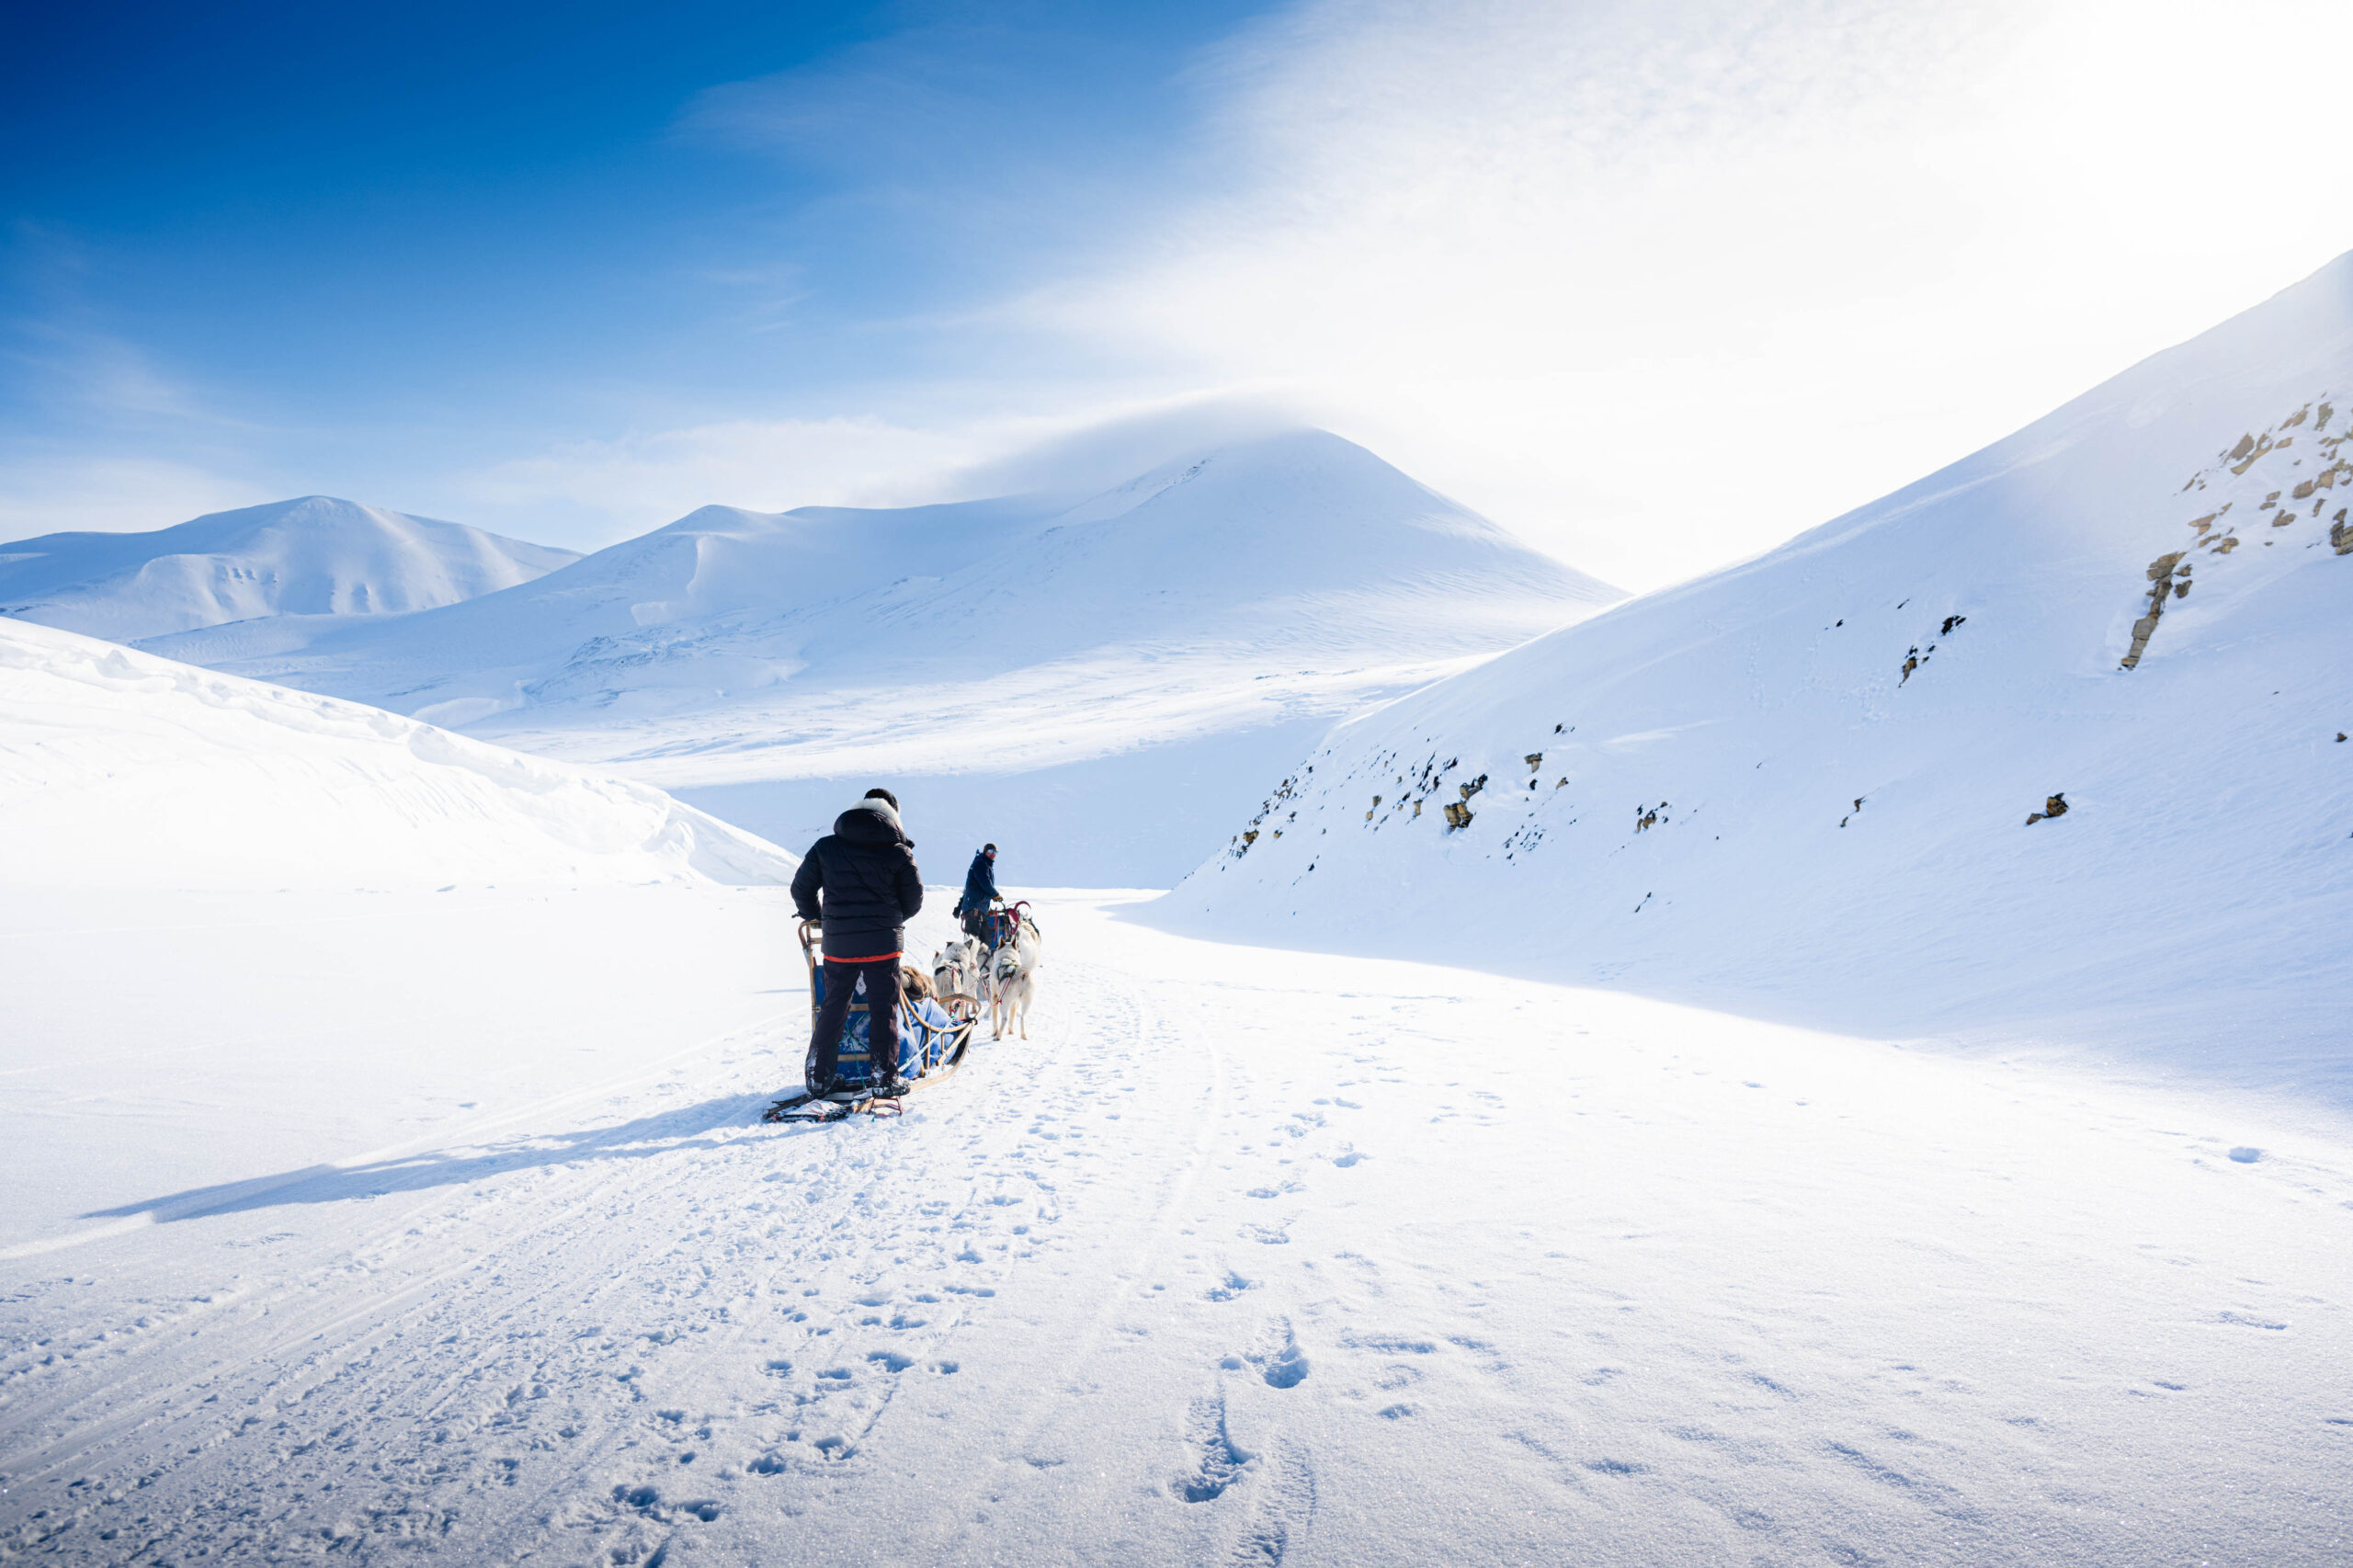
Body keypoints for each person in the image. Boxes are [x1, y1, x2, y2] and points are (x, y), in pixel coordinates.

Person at [791, 789, 923, 1097]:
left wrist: (821, 919)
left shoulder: (826, 847)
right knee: (883, 1008)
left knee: (833, 1007)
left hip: (839, 946)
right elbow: (914, 900)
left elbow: (801, 888)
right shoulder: (898, 852)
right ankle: (884, 1078)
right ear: (893, 815)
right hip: (883, 944)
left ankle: (819, 1078)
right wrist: (889, 919)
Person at [953, 842, 1000, 946]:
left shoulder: (987, 866)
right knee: (972, 941)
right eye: (990, 851)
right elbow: (985, 882)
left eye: (995, 852)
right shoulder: (980, 864)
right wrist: (995, 894)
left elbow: (968, 889)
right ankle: (968, 960)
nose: (993, 854)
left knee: (985, 942)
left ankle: (980, 961)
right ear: (985, 852)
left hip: (980, 909)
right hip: (974, 909)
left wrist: (959, 906)